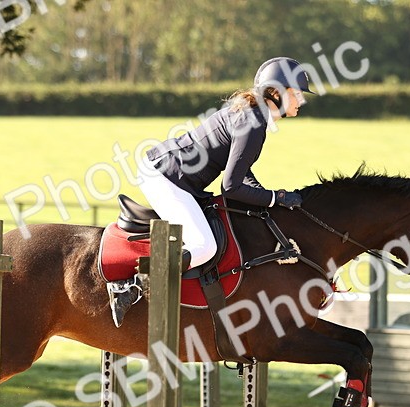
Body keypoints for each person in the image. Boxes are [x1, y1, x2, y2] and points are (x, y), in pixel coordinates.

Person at [106, 56, 312, 326]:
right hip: (166, 177)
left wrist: (269, 196)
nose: (300, 101)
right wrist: (276, 198)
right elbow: (231, 187)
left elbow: (241, 172)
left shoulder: (252, 114)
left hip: (167, 170)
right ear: (275, 92)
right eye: (296, 94)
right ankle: (131, 286)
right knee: (204, 247)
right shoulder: (253, 123)